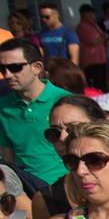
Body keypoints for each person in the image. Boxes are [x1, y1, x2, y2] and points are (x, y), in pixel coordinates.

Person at [0, 38, 71, 192]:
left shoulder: (65, 100)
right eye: (2, 69)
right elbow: (8, 157)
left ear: (37, 67)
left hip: (67, 186)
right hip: (26, 189)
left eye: (15, 67)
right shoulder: (2, 107)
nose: (7, 75)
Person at [75, 5, 109, 92]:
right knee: (95, 86)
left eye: (93, 13)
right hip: (91, 63)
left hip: (102, 60)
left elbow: (104, 39)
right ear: (84, 14)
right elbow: (94, 41)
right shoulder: (82, 26)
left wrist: (105, 39)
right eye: (90, 13)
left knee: (103, 85)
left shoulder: (95, 25)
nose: (93, 15)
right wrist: (104, 37)